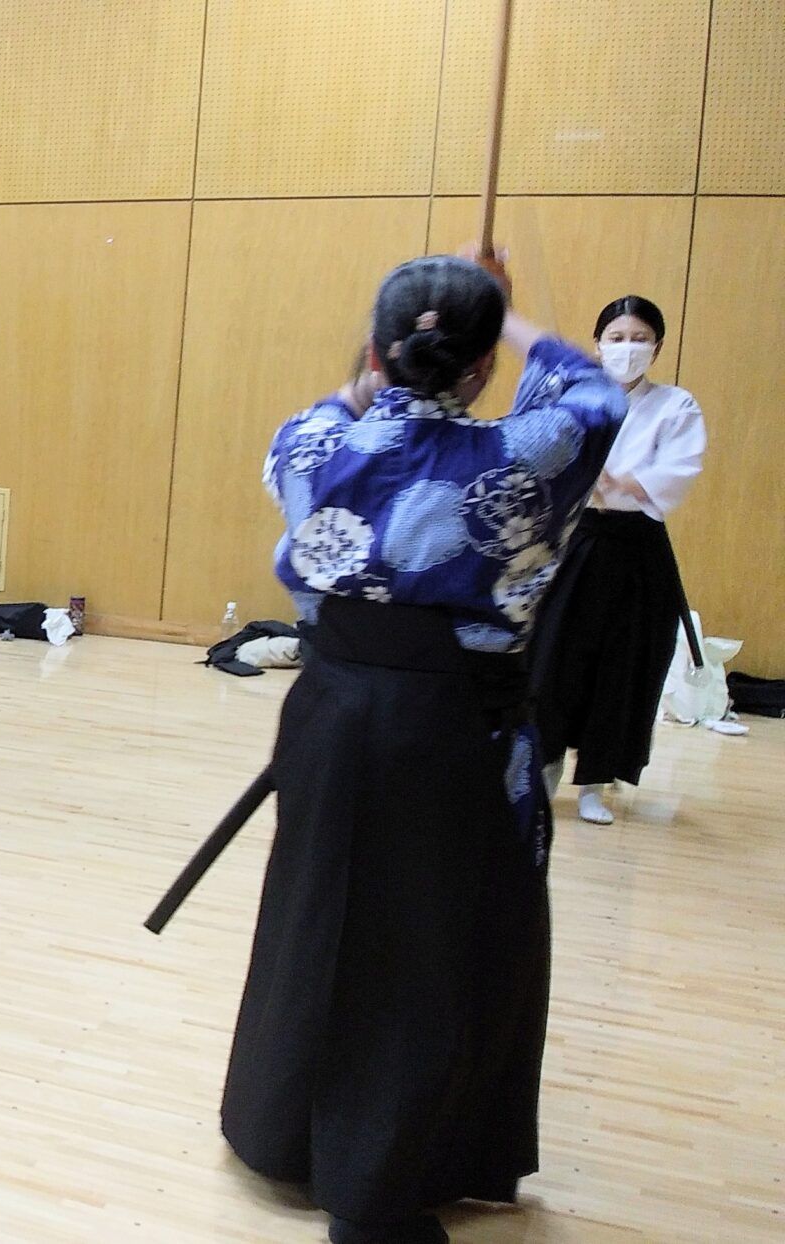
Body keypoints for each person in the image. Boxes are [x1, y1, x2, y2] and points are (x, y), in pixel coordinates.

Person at [225, 252, 626, 1244]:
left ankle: (284, 1133)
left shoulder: (311, 442)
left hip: (331, 717)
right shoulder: (525, 456)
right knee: (435, 939)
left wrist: (401, 348)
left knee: (320, 907)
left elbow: (350, 399)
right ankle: (384, 1176)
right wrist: (511, 318)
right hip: (455, 732)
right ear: (483, 368)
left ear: (375, 352)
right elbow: (595, 392)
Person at [529, 295, 707, 825]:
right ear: (598, 343)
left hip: (637, 548)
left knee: (623, 664)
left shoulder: (676, 405)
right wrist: (584, 479)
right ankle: (543, 769)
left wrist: (620, 482)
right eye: (617, 338)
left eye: (639, 339)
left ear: (657, 346)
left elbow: (677, 471)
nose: (628, 349)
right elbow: (543, 453)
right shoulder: (574, 396)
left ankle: (596, 783)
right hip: (574, 539)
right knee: (553, 658)